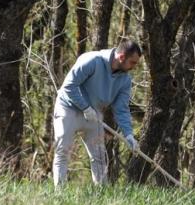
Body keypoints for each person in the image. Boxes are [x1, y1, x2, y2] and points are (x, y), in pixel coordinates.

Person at [52, 38, 142, 186]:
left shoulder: (125, 80)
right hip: (68, 108)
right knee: (63, 151)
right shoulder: (92, 61)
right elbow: (69, 86)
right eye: (132, 62)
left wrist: (129, 134)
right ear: (121, 57)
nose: (134, 66)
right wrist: (85, 107)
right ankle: (59, 193)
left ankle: (101, 193)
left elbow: (121, 109)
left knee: (99, 156)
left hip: (94, 115)